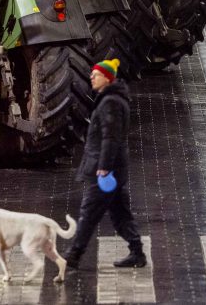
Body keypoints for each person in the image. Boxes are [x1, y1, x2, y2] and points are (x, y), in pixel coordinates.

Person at [64, 59, 146, 271]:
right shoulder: (111, 99)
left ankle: (73, 255)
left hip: (104, 170)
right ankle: (137, 252)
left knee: (88, 213)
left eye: (97, 75)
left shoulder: (111, 103)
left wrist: (104, 167)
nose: (92, 77)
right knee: (120, 214)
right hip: (113, 169)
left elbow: (111, 137)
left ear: (108, 79)